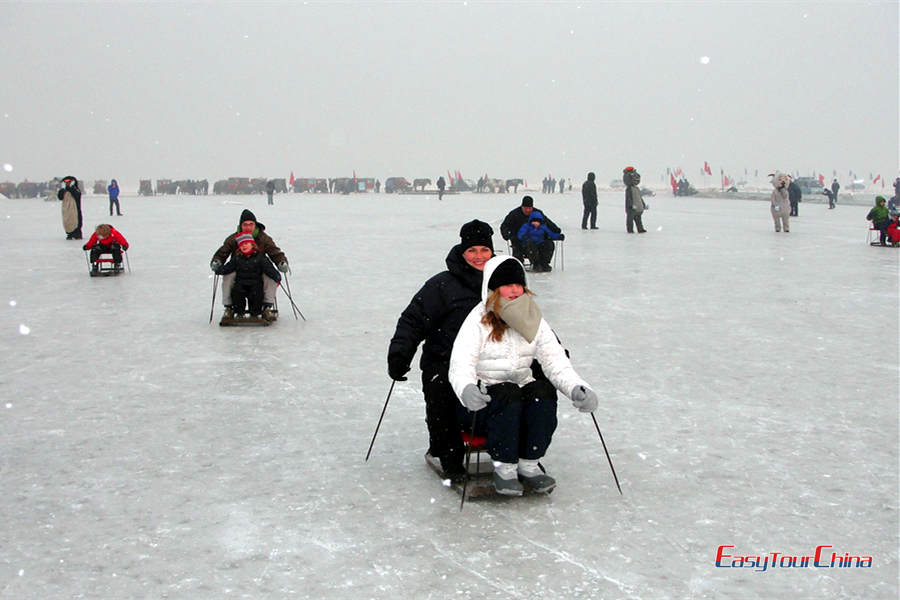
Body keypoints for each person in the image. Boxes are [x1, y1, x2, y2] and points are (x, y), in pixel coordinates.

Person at [448, 255, 599, 495]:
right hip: (481, 404)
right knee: (507, 393)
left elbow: (555, 361)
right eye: (507, 285)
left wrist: (576, 387)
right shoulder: (477, 321)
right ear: (493, 289)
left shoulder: (534, 319)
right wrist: (467, 388)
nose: (515, 290)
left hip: (519, 400)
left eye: (518, 284)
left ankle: (529, 464)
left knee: (541, 391)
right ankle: (504, 468)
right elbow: (460, 364)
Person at [387, 220, 496, 481]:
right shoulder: (442, 285)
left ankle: (510, 453)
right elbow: (413, 320)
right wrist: (400, 353)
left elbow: (529, 322)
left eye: (484, 250)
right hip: (444, 360)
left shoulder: (502, 283)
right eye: (472, 250)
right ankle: (449, 456)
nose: (479, 256)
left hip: (490, 361)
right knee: (442, 395)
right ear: (462, 252)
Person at [210, 209, 289, 321]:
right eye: (245, 225)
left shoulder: (263, 238)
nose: (248, 227)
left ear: (255, 225)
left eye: (251, 224)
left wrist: (281, 262)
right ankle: (229, 308)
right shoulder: (233, 238)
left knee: (270, 277)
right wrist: (217, 262)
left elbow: (274, 252)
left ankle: (267, 307)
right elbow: (223, 252)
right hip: (239, 268)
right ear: (240, 225)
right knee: (228, 276)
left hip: (259, 269)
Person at [214, 234, 282, 318]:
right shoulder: (237, 258)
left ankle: (255, 313)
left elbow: (268, 268)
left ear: (252, 244)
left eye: (246, 243)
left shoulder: (260, 258)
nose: (244, 246)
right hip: (241, 283)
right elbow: (229, 267)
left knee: (256, 295)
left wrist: (276, 276)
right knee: (237, 294)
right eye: (241, 245)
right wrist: (219, 270)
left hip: (255, 283)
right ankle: (239, 312)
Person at [500, 196, 562, 262]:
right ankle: (520, 263)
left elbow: (547, 222)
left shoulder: (537, 213)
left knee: (549, 244)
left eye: (529, 208)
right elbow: (504, 225)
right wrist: (506, 235)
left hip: (538, 241)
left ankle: (543, 263)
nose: (528, 210)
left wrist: (556, 230)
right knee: (520, 247)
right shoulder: (514, 214)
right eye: (525, 208)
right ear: (522, 207)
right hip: (519, 240)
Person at [624, 167, 647, 234]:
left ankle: (639, 229)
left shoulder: (635, 188)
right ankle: (631, 229)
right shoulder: (630, 189)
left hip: (636, 207)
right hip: (632, 207)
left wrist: (643, 204)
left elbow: (639, 197)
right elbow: (629, 198)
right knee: (632, 219)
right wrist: (631, 205)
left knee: (637, 219)